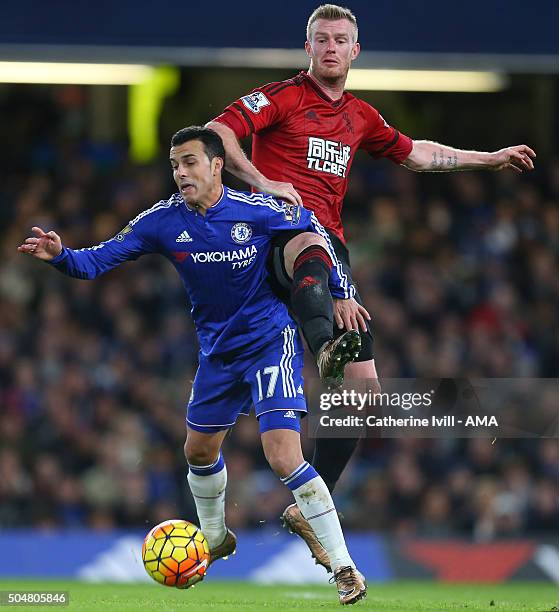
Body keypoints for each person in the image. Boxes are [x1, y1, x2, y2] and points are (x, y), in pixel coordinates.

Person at [206, 3, 537, 572]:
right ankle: (323, 341)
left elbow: (419, 155)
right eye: (321, 39)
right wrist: (262, 180)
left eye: (340, 40)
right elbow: (217, 132)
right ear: (307, 47)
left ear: (355, 51)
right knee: (306, 245)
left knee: (364, 397)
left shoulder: (360, 117)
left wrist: (488, 158)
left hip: (330, 250)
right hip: (272, 232)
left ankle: (312, 507)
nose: (331, 47)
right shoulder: (282, 98)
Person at [18, 126, 367, 605]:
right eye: (174, 165)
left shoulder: (259, 211)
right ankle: (217, 538)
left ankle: (345, 567)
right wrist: (61, 257)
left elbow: (316, 238)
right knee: (198, 452)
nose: (180, 173)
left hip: (270, 341)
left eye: (189, 163)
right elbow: (97, 261)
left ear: (216, 164)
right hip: (217, 354)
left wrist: (342, 294)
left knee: (283, 455)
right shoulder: (161, 221)